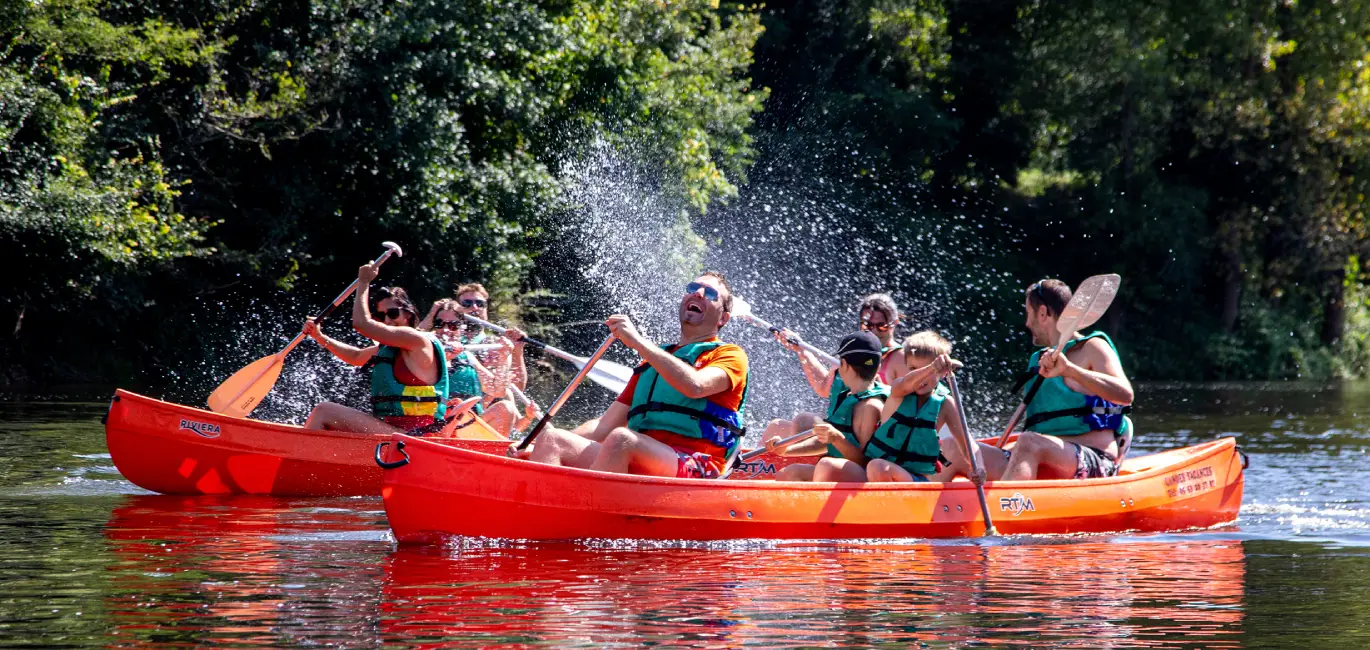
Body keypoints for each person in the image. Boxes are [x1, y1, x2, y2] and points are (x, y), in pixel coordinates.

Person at [519, 272, 749, 478]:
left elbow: (696, 385)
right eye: (692, 288)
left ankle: (590, 507)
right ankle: (546, 506)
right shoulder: (651, 363)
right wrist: (534, 445)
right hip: (638, 455)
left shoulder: (731, 355)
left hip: (697, 464)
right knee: (552, 439)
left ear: (723, 318)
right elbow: (602, 427)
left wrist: (638, 342)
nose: (698, 293)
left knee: (622, 439)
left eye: (710, 293)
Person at [939, 279, 1134, 481]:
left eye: (1028, 313)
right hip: (1040, 458)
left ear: (1042, 313)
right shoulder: (1039, 360)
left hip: (1093, 460)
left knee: (1029, 442)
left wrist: (1070, 370)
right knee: (953, 447)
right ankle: (922, 497)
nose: (1027, 323)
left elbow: (1125, 394)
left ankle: (1007, 501)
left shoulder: (1092, 347)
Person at [300, 265, 449, 433]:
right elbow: (356, 356)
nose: (387, 320)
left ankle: (298, 451)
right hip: (396, 432)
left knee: (324, 411)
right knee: (330, 419)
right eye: (380, 316)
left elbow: (361, 324)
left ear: (407, 313)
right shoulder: (390, 349)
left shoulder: (416, 340)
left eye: (392, 313)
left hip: (417, 436)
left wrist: (364, 281)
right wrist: (320, 337)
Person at [761, 332, 890, 481]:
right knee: (788, 473)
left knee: (826, 465)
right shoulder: (847, 394)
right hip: (839, 469)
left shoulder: (870, 408)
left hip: (864, 479)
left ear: (844, 365)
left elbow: (865, 462)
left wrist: (837, 439)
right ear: (878, 366)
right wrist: (786, 450)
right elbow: (828, 443)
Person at [864, 331, 984, 484]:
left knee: (877, 467)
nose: (921, 376)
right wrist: (932, 368)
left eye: (931, 370)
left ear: (943, 373)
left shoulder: (946, 404)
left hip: (916, 482)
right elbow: (907, 383)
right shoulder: (898, 390)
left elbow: (968, 445)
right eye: (913, 368)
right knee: (873, 466)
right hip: (878, 473)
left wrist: (979, 467)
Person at [775, 293, 909, 399]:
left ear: (895, 322)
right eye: (867, 325)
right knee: (780, 423)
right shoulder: (852, 350)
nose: (873, 331)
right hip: (845, 422)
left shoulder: (901, 358)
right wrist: (802, 350)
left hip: (871, 422)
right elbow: (824, 388)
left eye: (881, 326)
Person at [422, 282, 529, 392]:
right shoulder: (441, 338)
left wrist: (517, 350)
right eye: (467, 303)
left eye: (480, 303)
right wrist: (432, 314)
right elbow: (416, 338)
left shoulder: (496, 344)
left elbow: (517, 388)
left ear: (486, 308)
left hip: (482, 397)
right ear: (457, 309)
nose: (474, 307)